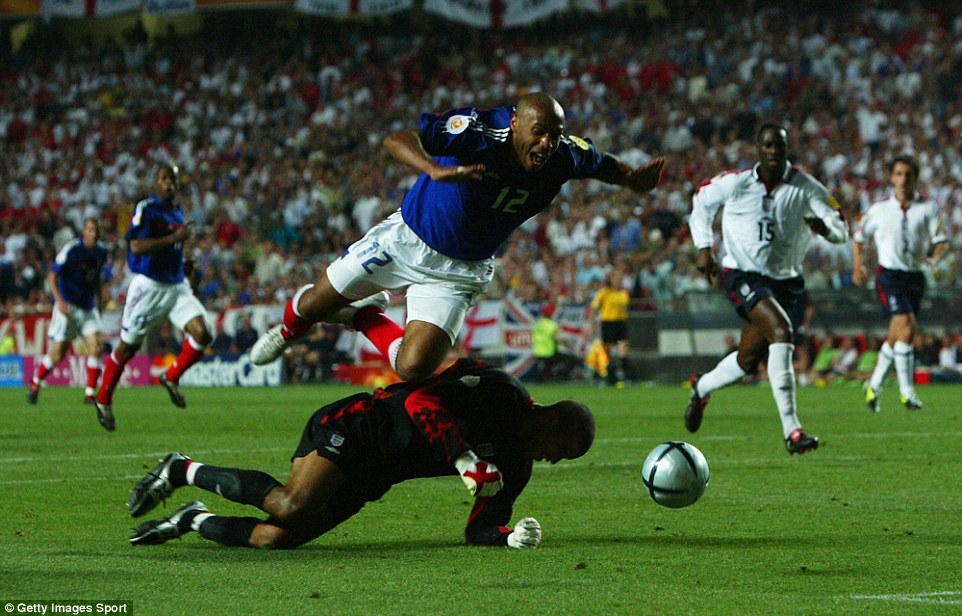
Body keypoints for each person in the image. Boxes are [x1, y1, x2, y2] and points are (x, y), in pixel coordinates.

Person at [251, 92, 664, 383]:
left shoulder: (564, 154)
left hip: (460, 270)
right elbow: (397, 139)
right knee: (313, 306)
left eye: (553, 135)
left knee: (412, 369)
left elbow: (600, 163)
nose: (546, 143)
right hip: (406, 239)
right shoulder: (479, 131)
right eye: (538, 133)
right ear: (516, 123)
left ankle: (363, 315)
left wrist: (631, 180)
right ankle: (288, 332)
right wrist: (434, 169)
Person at [126, 359, 595, 550]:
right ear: (553, 420)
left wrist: (506, 537)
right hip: (362, 426)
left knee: (278, 539)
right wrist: (463, 459)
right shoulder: (501, 391)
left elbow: (480, 527)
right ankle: (181, 468)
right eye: (562, 450)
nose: (554, 460)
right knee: (291, 504)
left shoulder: (518, 466)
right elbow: (417, 402)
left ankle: (191, 520)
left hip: (378, 474)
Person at [685, 121, 849, 454]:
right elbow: (701, 199)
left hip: (785, 282)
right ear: (759, 150)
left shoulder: (807, 188)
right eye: (769, 146)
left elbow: (840, 226)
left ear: (788, 149)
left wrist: (826, 229)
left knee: (748, 360)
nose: (774, 152)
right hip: (742, 273)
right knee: (782, 332)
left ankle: (701, 387)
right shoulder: (737, 183)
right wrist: (704, 246)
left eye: (780, 146)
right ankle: (793, 431)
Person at [94, 163, 214, 431]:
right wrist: (174, 238)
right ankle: (103, 398)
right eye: (164, 179)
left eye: (173, 179)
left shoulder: (177, 212)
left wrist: (183, 265)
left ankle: (171, 377)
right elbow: (136, 246)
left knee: (203, 334)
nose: (170, 183)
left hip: (176, 286)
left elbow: (172, 246)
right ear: (156, 184)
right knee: (127, 348)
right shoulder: (147, 209)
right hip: (148, 288)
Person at [852, 154, 948, 412]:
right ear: (892, 178)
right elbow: (859, 238)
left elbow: (941, 240)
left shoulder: (928, 208)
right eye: (899, 174)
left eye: (908, 174)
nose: (903, 179)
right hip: (889, 275)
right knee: (907, 328)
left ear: (916, 178)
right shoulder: (878, 209)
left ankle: (873, 386)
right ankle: (907, 392)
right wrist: (858, 266)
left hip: (915, 276)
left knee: (897, 336)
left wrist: (934, 258)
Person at [28, 218, 109, 406]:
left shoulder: (101, 252)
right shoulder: (72, 250)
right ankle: (35, 383)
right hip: (68, 306)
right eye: (89, 230)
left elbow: (96, 277)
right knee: (58, 354)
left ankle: (89, 394)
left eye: (96, 230)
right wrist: (60, 301)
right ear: (84, 231)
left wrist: (99, 300)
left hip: (88, 307)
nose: (93, 234)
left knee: (96, 347)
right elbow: (52, 275)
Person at [589, 274, 632, 387]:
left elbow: (625, 308)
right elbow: (594, 307)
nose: (618, 281)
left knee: (623, 349)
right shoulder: (604, 292)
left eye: (619, 279)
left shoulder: (624, 293)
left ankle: (625, 374)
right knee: (607, 349)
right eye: (616, 279)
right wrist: (590, 323)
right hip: (608, 323)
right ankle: (605, 374)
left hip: (620, 323)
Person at [531, 304, 580, 382]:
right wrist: (572, 350)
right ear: (551, 314)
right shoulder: (552, 325)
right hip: (549, 353)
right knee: (573, 359)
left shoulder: (537, 325)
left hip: (538, 353)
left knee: (545, 373)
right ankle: (561, 376)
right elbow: (561, 339)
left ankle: (545, 377)